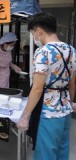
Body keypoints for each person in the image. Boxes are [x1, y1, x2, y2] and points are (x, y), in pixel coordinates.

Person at [17, 12, 76, 160]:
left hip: (48, 112)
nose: (34, 38)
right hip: (65, 111)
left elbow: (37, 88)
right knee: (62, 151)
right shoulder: (71, 50)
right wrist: (69, 103)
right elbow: (72, 84)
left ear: (38, 31)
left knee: (45, 154)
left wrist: (25, 116)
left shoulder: (43, 52)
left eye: (32, 33)